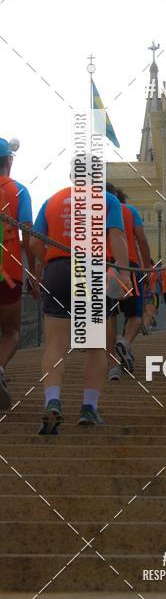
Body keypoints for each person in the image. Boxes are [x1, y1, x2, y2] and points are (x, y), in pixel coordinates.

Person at [30, 174, 129, 433]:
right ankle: (89, 408)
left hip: (58, 269)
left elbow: (33, 243)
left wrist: (51, 261)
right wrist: (124, 273)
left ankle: (53, 400)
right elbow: (116, 236)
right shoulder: (107, 199)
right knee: (96, 346)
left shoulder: (53, 200)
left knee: (55, 344)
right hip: (93, 269)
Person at [0, 138, 36, 409]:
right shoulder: (19, 191)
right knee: (11, 333)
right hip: (8, 272)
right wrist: (33, 273)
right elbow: (30, 238)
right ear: (9, 161)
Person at [106, 186, 151, 380]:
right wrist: (146, 268)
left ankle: (112, 367)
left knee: (110, 318)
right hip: (128, 266)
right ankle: (125, 341)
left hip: (101, 265)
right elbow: (142, 240)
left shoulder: (92, 209)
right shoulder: (129, 210)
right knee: (135, 315)